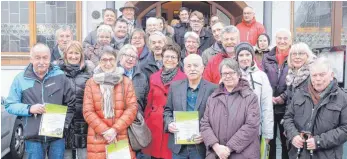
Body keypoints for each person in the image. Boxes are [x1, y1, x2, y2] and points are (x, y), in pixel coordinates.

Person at [5, 43, 75, 159]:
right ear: (31, 59)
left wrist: (64, 124)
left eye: (45, 58)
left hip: (56, 136)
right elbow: (10, 104)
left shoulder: (60, 76)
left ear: (50, 58)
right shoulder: (21, 79)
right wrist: (29, 109)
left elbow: (71, 103)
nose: (41, 61)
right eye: (37, 58)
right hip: (33, 138)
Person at [283, 57, 347, 159]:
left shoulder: (343, 98)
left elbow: (345, 129)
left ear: (331, 76)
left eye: (322, 75)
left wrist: (319, 141)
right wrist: (293, 135)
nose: (318, 79)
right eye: (314, 75)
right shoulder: (299, 93)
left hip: (327, 155)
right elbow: (288, 118)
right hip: (299, 155)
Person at [200, 58, 260, 159]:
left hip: (243, 154)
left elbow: (251, 125)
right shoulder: (213, 97)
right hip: (216, 154)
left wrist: (228, 149)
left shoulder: (250, 97)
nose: (228, 76)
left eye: (231, 73)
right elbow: (205, 124)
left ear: (238, 74)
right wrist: (216, 147)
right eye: (224, 73)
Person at [83, 50, 138, 159]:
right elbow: (87, 111)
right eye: (104, 60)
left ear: (116, 61)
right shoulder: (91, 83)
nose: (108, 63)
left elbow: (132, 108)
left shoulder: (126, 82)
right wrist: (105, 131)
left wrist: (114, 130)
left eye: (111, 59)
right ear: (99, 62)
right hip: (97, 137)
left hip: (120, 135)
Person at [163, 54, 217, 159]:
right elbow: (167, 111)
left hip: (200, 147)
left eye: (196, 66)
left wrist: (206, 135)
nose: (192, 69)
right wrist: (169, 123)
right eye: (189, 66)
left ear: (202, 68)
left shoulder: (213, 89)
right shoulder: (175, 86)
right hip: (179, 147)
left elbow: (216, 118)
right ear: (184, 69)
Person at [142, 44, 187, 159]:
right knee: (154, 156)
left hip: (172, 124)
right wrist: (147, 119)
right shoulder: (153, 77)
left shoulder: (184, 78)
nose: (169, 60)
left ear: (178, 61)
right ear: (162, 58)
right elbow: (149, 102)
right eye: (167, 57)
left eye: (173, 57)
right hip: (154, 124)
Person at [54, 41, 93, 159]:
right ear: (65, 55)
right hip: (63, 121)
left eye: (77, 53)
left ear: (81, 55)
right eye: (70, 53)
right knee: (65, 155)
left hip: (84, 121)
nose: (74, 56)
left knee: (83, 154)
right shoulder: (57, 73)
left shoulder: (89, 73)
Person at [235, 42, 274, 144]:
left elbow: (267, 106)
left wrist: (267, 133)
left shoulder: (261, 76)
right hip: (234, 131)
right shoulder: (231, 75)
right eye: (241, 55)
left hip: (256, 130)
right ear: (236, 57)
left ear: (252, 56)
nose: (244, 58)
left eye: (247, 54)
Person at [262, 28, 292, 159]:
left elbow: (295, 81)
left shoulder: (294, 56)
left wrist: (283, 97)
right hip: (269, 107)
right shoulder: (267, 57)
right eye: (279, 38)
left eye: (285, 38)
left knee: (287, 142)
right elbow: (262, 78)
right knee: (270, 140)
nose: (282, 41)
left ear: (290, 41)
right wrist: (269, 97)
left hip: (287, 108)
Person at [281, 42, 316, 107]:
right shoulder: (291, 73)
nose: (297, 57)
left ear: (308, 56)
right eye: (294, 54)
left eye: (301, 54)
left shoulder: (314, 74)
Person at [118, 44, 149, 114]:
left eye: (133, 57)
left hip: (137, 118)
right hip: (118, 118)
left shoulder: (142, 76)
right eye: (128, 55)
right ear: (121, 57)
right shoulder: (113, 73)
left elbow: (146, 101)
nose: (131, 59)